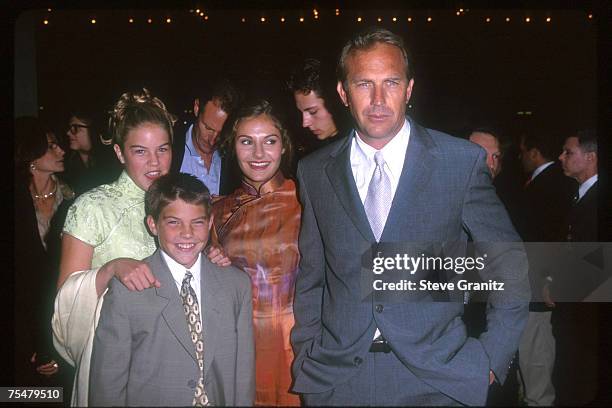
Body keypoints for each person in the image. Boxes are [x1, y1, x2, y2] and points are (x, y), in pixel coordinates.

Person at [290, 27, 530, 406]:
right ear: (343, 93)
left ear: (409, 89)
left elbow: (509, 265)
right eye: (364, 84)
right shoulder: (315, 171)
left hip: (436, 378)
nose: (379, 99)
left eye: (391, 82)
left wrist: (490, 359)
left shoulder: (459, 162)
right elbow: (312, 277)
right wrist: (308, 353)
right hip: (338, 381)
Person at [52, 89, 228, 406]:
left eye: (162, 149)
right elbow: (65, 299)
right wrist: (110, 269)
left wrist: (211, 260)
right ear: (119, 152)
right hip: (116, 362)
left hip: (179, 360)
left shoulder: (182, 201)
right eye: (140, 151)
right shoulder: (92, 207)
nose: (154, 163)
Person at [89, 173, 254, 406]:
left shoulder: (236, 285)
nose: (187, 233)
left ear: (209, 223)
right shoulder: (127, 290)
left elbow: (243, 373)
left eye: (197, 222)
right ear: (153, 225)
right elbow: (108, 383)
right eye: (174, 222)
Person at [212, 100, 301, 406]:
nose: (259, 154)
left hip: (299, 353)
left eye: (270, 141)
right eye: (247, 142)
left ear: (284, 145)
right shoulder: (216, 211)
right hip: (240, 352)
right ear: (232, 147)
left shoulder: (309, 201)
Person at [514, 130, 576, 406]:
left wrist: (549, 278)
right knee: (530, 351)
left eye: (522, 152)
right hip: (531, 284)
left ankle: (537, 400)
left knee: (536, 352)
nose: (520, 157)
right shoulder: (549, 183)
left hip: (538, 285)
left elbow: (552, 236)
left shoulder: (551, 185)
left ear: (534, 152)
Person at [14, 117, 75, 393]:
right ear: (31, 155)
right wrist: (29, 342)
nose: (61, 151)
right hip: (23, 327)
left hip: (63, 319)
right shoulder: (15, 202)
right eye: (51, 146)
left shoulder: (73, 197)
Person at [171, 79, 242, 195]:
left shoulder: (235, 159)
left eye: (222, 132)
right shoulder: (170, 147)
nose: (213, 140)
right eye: (208, 128)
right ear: (197, 108)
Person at [287, 58, 346, 158]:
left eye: (313, 112)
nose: (305, 123)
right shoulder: (310, 156)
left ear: (335, 102)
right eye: (300, 112)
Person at [62, 109, 121, 196]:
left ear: (93, 130)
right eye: (69, 128)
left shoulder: (111, 168)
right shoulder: (65, 167)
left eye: (75, 128)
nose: (68, 133)